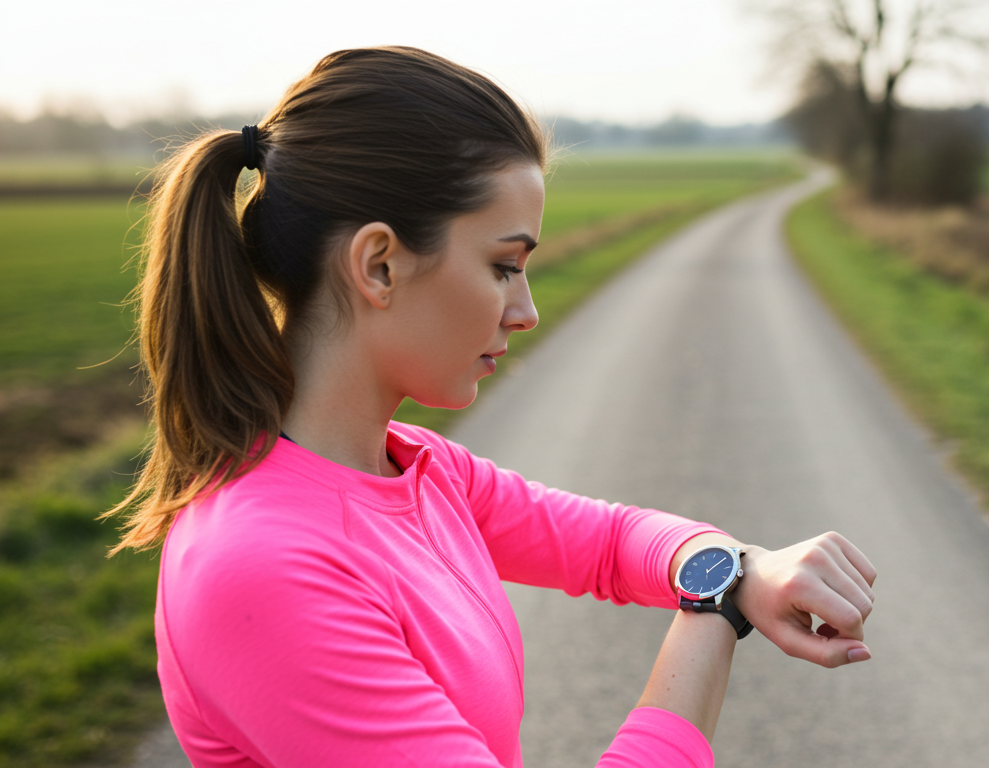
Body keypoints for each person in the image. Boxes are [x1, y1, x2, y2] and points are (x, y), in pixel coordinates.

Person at [103, 46, 877, 768]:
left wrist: (739, 565)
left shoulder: (417, 468)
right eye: (505, 266)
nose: (526, 311)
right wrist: (716, 611)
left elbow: (610, 543)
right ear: (379, 265)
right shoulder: (265, 569)